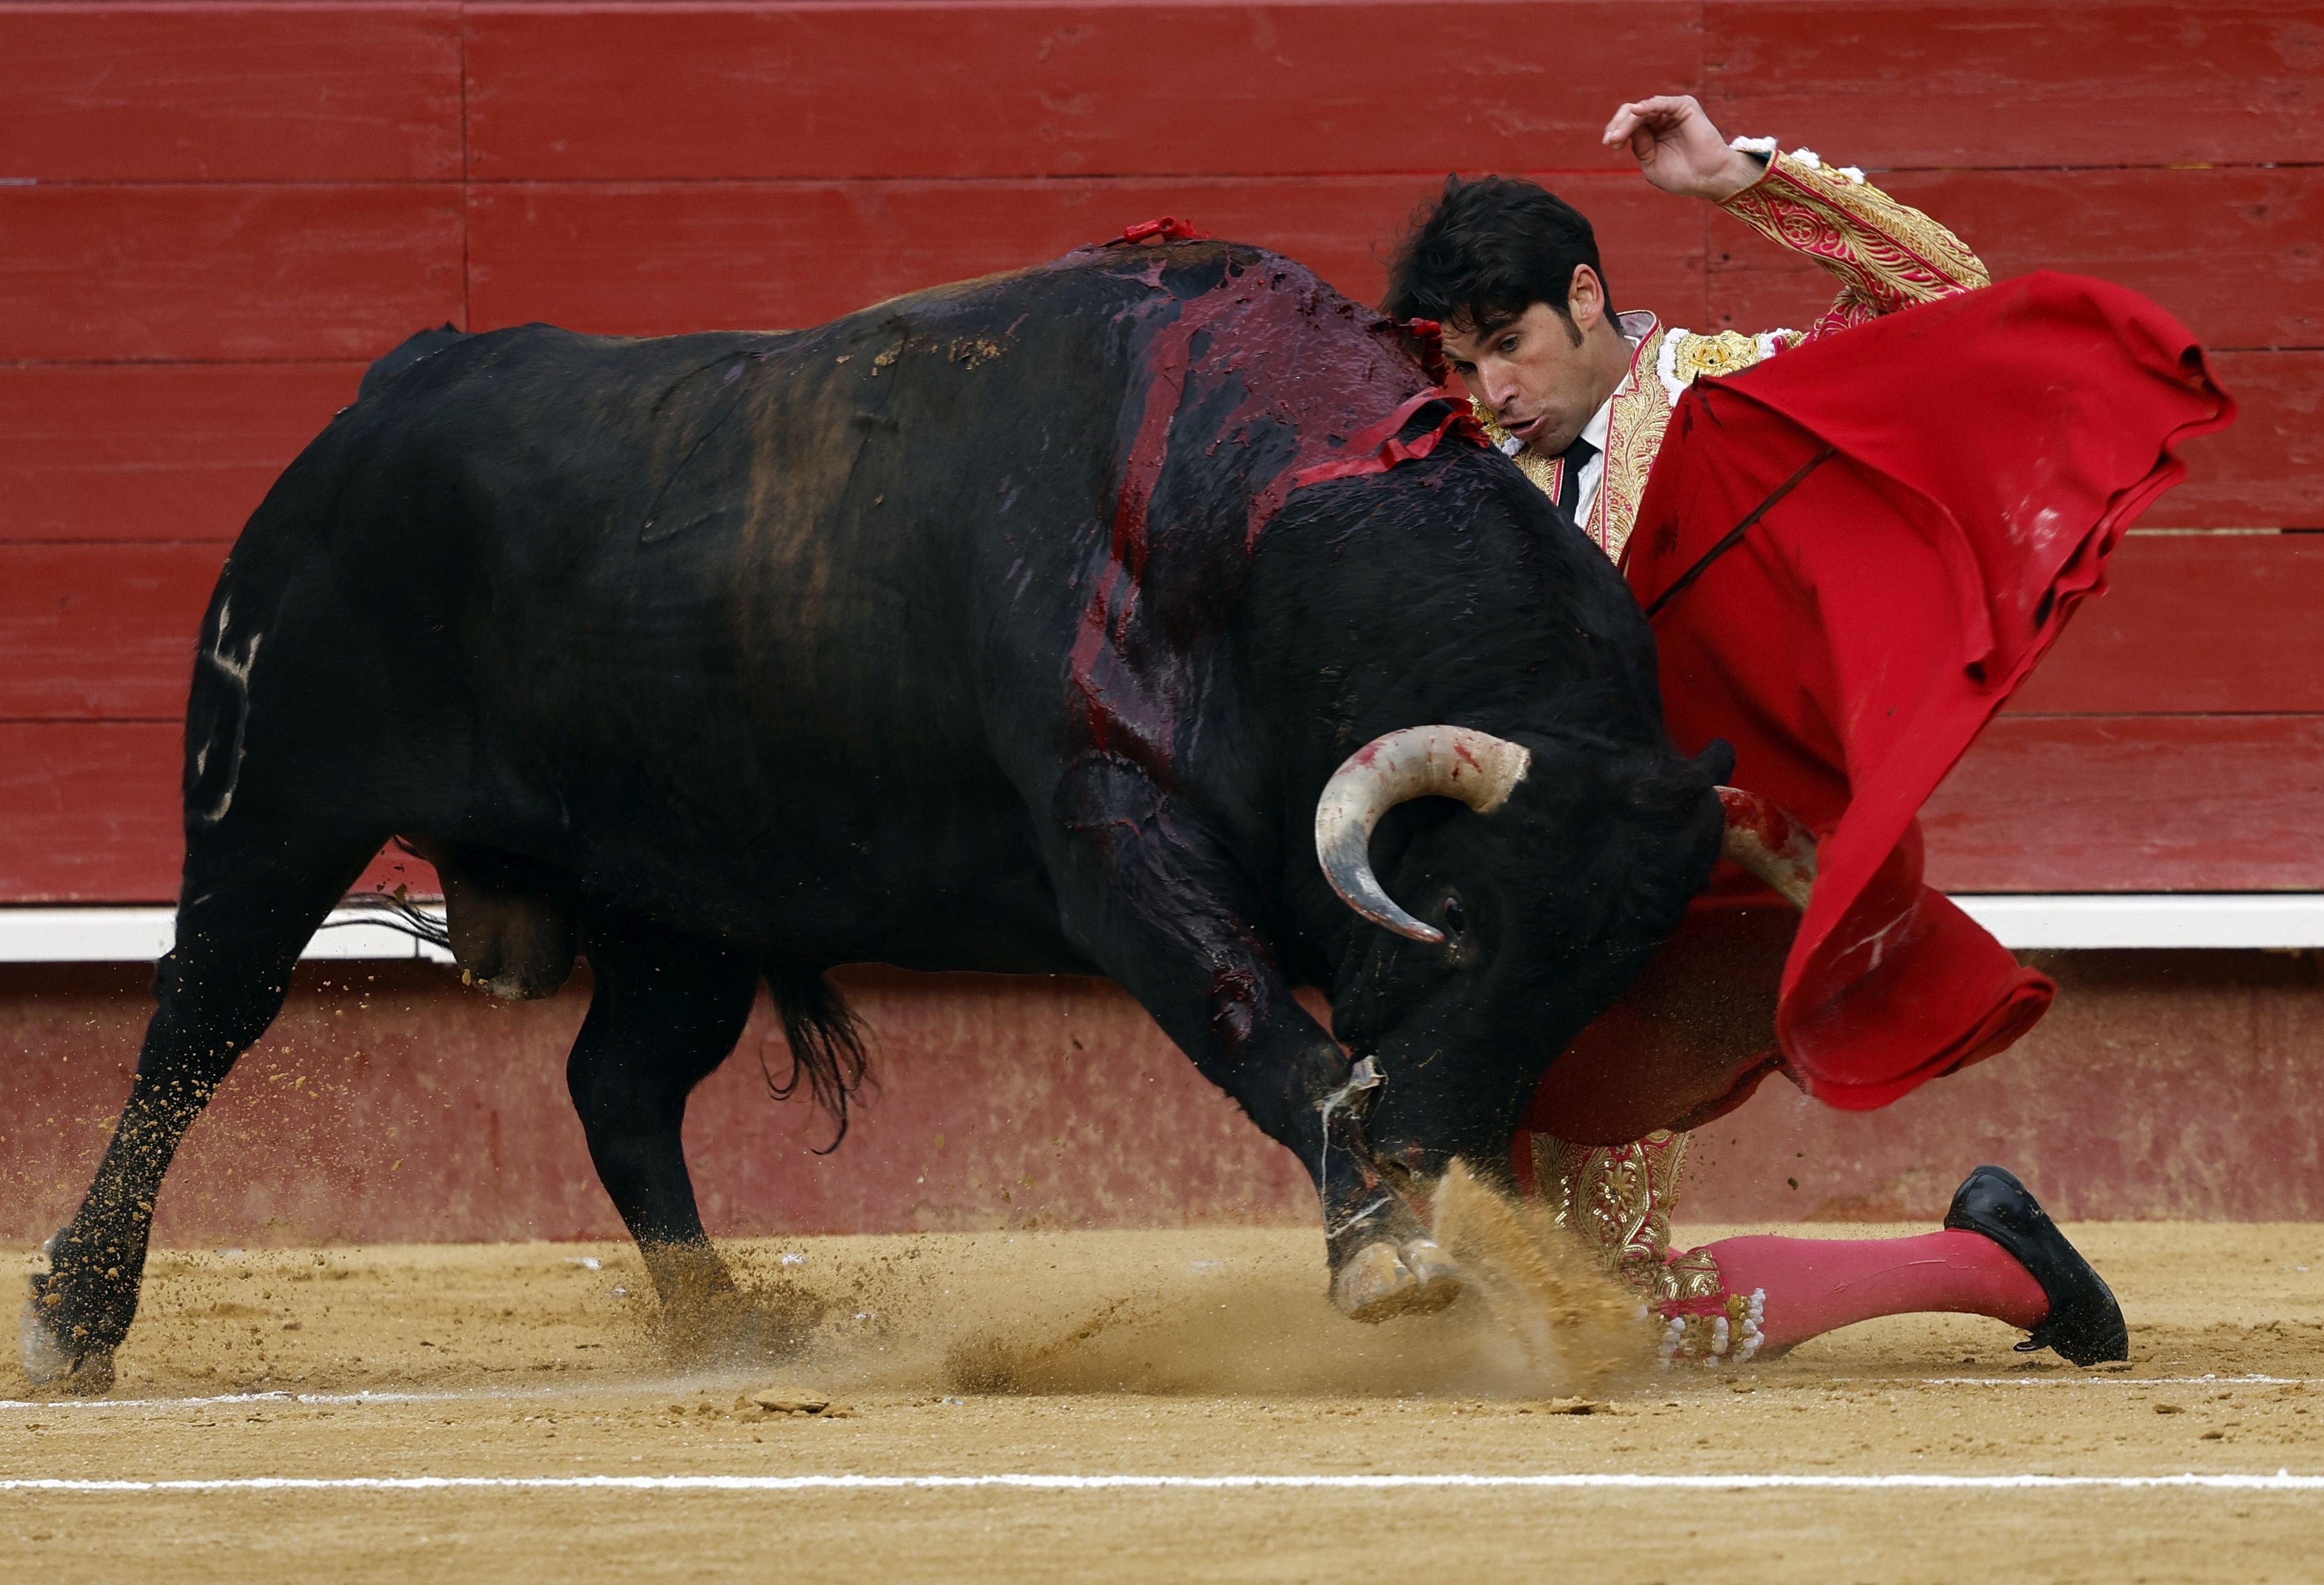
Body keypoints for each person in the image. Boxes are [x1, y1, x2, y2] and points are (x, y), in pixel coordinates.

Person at [1380, 95, 2217, 1367]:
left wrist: (1741, 181)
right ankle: (1997, 1256)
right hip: (1557, 918)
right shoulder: (1483, 480)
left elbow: (1944, 299)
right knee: (1537, 1294)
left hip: (1711, 902)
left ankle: (1986, 1266)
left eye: (1510, 345)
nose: (1491, 388)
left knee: (1593, 1322)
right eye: (1463, 359)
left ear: (1588, 298)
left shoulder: (1729, 391)